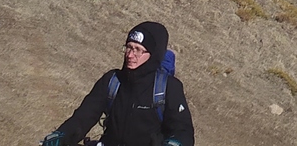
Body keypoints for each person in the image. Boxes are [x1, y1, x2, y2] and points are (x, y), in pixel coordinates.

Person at [43, 21, 194, 146]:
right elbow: (84, 117)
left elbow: (183, 131)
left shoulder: (168, 87)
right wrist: (61, 136)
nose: (130, 55)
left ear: (152, 55)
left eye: (138, 50)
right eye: (128, 47)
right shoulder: (112, 80)